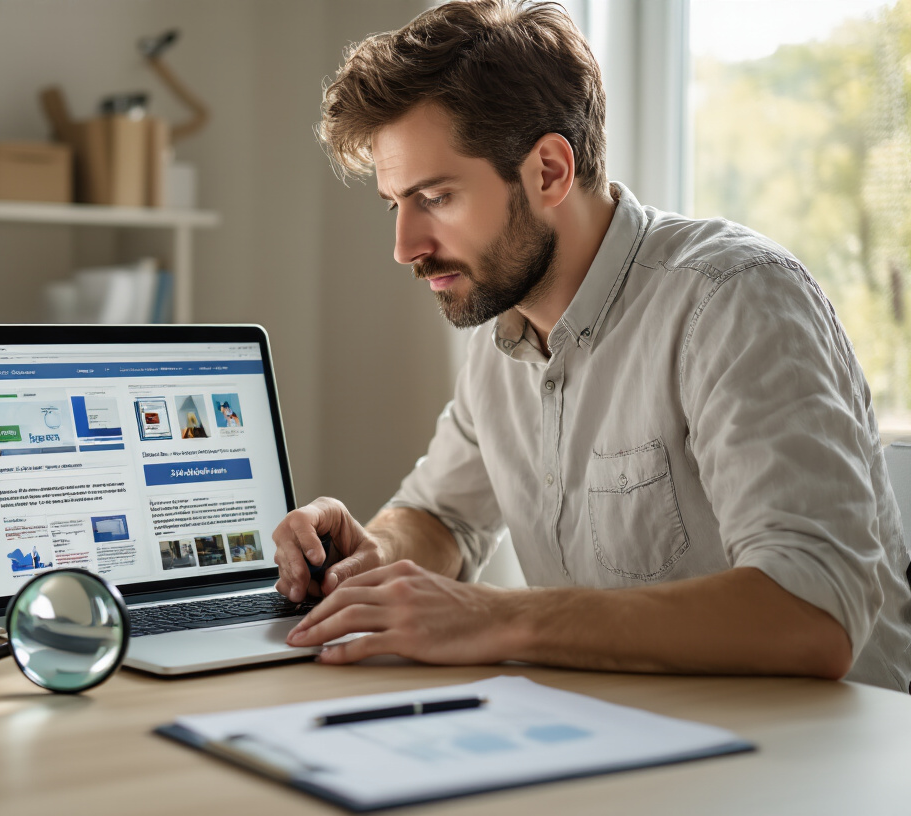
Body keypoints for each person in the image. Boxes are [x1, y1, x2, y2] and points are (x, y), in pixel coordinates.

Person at [272, 0, 911, 692]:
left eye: (437, 196)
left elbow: (813, 612)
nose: (405, 248)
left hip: (820, 769)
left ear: (548, 170)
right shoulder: (502, 332)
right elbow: (441, 515)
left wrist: (497, 619)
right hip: (628, 742)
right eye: (397, 203)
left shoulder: (735, 299)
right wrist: (373, 557)